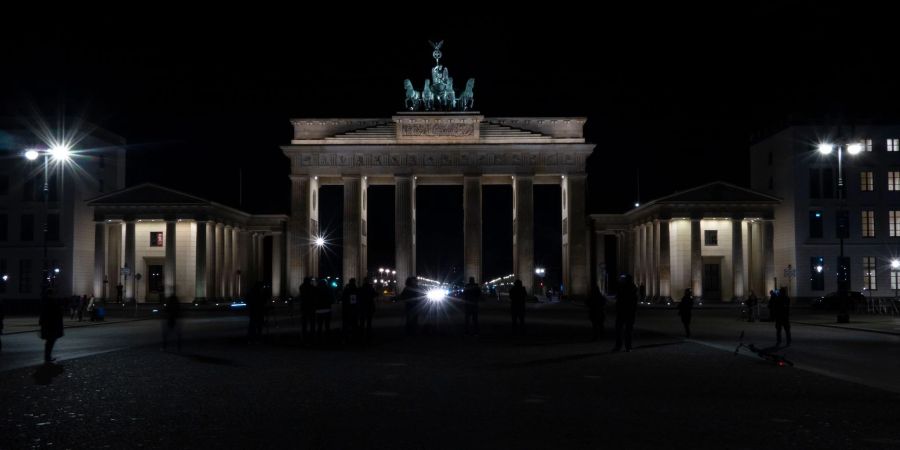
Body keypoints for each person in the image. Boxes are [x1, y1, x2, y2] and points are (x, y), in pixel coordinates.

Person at [614, 274, 638, 352]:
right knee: (627, 330)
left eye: (622, 279)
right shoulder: (632, 288)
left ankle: (621, 346)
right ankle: (627, 346)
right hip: (628, 312)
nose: (621, 280)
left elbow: (620, 299)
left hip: (624, 311)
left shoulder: (625, 288)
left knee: (621, 330)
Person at [39, 288, 64, 363]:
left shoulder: (45, 302)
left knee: (49, 342)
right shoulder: (52, 302)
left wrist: (41, 323)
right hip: (52, 325)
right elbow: (57, 314)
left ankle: (47, 357)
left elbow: (42, 314)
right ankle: (47, 357)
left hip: (48, 325)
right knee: (50, 342)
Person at [358, 277, 377, 342]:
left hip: (362, 307)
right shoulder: (370, 288)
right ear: (368, 281)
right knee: (369, 322)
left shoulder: (361, 288)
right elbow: (375, 294)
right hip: (369, 307)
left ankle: (361, 334)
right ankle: (369, 334)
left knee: (362, 321)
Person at [340, 278, 359, 343]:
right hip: (353, 310)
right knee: (354, 325)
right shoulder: (355, 290)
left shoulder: (346, 290)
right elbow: (354, 301)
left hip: (346, 310)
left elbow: (343, 298)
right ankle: (354, 338)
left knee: (346, 325)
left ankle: (345, 338)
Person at [299, 277, 317, 344]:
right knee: (312, 321)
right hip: (311, 306)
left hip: (304, 306)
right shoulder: (312, 287)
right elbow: (315, 294)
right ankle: (312, 334)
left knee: (304, 322)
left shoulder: (301, 287)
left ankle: (304, 334)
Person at [315, 278, 333, 343]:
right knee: (327, 326)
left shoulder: (316, 290)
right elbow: (332, 299)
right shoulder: (328, 290)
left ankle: (319, 339)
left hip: (318, 310)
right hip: (327, 310)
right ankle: (327, 339)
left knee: (319, 326)